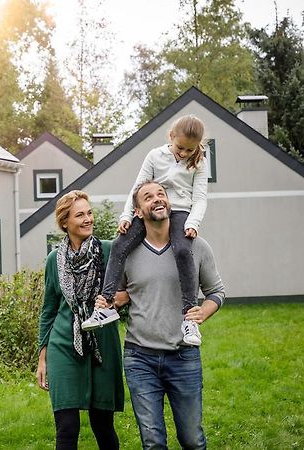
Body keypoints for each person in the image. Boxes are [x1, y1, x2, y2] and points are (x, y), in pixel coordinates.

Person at [96, 180, 224, 449]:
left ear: (169, 203)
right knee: (152, 442)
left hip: (183, 356)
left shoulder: (196, 245)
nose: (156, 199)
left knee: (192, 440)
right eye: (147, 197)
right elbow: (120, 294)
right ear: (138, 212)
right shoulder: (127, 254)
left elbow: (216, 292)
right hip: (139, 357)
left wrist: (203, 313)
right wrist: (108, 303)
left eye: (161, 194)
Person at [82, 115, 208, 346]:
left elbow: (200, 198)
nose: (183, 154)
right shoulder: (155, 156)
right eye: (180, 148)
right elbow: (137, 188)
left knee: (182, 251)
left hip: (179, 212)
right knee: (120, 244)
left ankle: (190, 319)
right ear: (171, 136)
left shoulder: (199, 162)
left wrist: (193, 223)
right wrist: (127, 216)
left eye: (189, 150)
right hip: (149, 210)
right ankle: (106, 305)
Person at [36, 190, 125, 450]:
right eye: (80, 215)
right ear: (65, 222)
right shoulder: (55, 260)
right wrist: (42, 358)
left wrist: (116, 300)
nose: (88, 219)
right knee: (67, 427)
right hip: (64, 344)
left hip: (102, 343)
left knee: (102, 425)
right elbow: (49, 310)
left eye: (89, 213)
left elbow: (134, 288)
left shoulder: (108, 251)